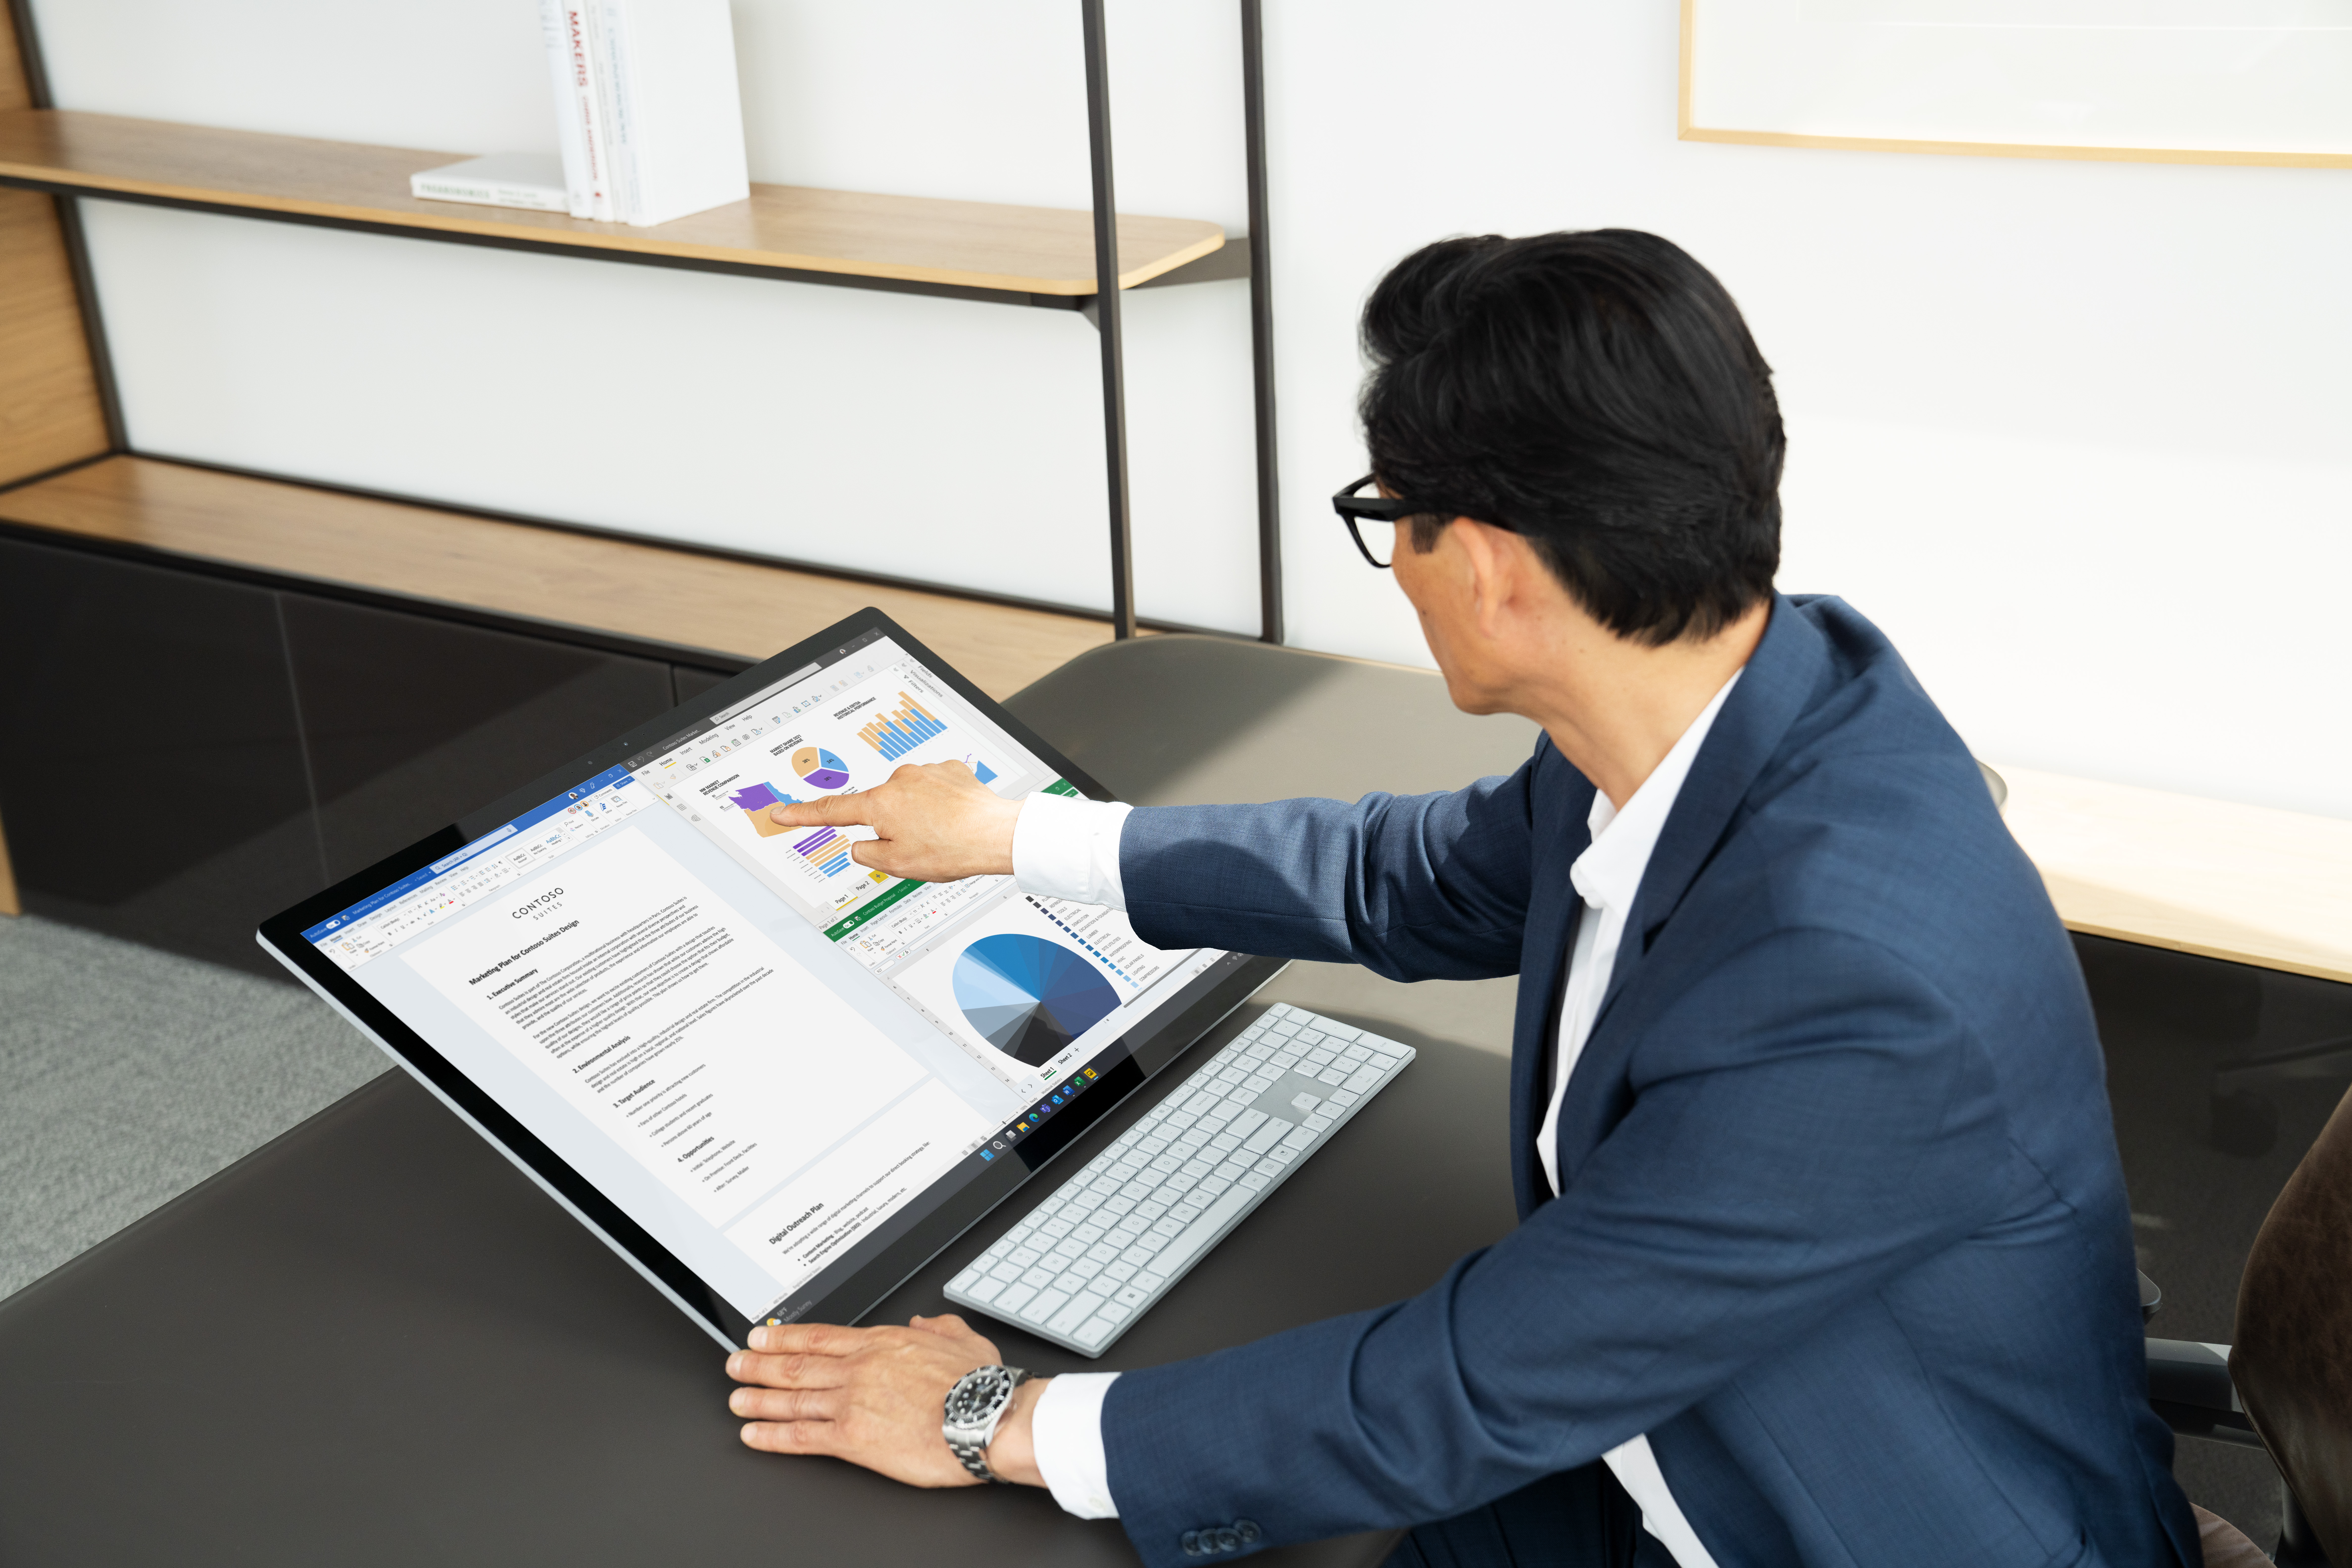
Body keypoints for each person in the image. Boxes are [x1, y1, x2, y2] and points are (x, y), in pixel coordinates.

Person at [721, 230, 2198, 1568]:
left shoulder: (1851, 981)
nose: (1393, 565)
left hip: (1839, 1520)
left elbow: (1480, 1386)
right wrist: (1022, 838)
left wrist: (994, 1417)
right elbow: (1412, 876)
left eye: (1390, 517)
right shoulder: (1739, 701)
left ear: (1486, 569)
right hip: (1668, 1437)